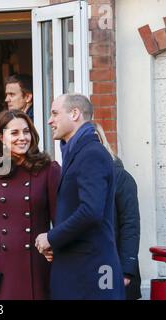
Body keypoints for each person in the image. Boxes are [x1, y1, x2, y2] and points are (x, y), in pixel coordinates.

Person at [35, 94, 125, 300]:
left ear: (75, 113)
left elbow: (91, 212)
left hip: (92, 272)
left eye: (55, 113)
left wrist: (51, 237)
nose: (50, 120)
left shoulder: (91, 153)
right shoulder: (77, 153)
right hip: (78, 269)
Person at [0, 110, 60, 300]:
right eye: (15, 133)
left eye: (26, 132)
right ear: (2, 138)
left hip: (37, 263)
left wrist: (55, 244)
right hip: (4, 265)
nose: (22, 138)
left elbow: (59, 219)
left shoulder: (48, 169)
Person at [93, 122, 142, 300]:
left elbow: (130, 225)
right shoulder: (75, 179)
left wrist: (126, 271)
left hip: (116, 269)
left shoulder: (121, 178)